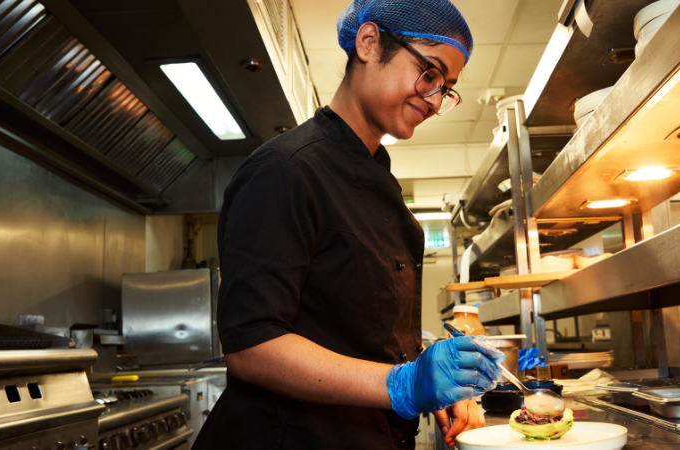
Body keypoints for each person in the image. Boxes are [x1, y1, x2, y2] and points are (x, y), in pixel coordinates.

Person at [192, 1, 504, 449]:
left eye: (446, 88)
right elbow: (251, 346)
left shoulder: (382, 185)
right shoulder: (287, 170)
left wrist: (433, 381)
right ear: (369, 43)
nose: (435, 100)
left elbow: (361, 332)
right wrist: (404, 384)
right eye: (429, 73)